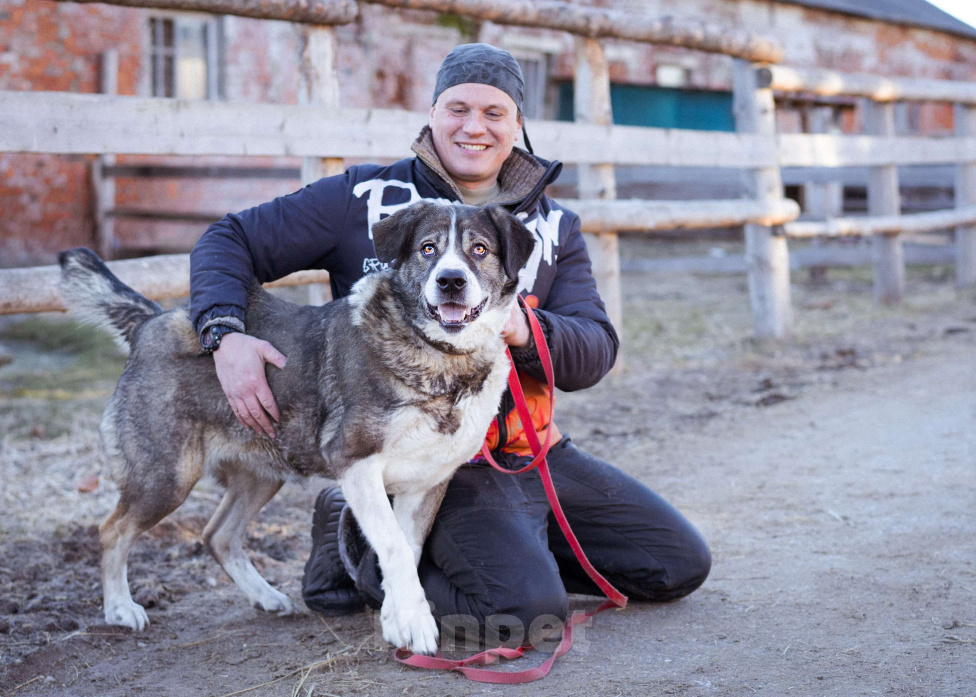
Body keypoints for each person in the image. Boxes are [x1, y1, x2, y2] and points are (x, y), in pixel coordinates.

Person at [189, 43, 710, 643]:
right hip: (428, 460)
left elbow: (595, 350)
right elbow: (229, 239)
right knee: (523, 613)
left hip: (532, 450)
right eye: (458, 108)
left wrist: (520, 327)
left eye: (495, 113)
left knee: (675, 564)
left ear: (518, 125)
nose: (474, 127)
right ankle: (364, 542)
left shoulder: (552, 227)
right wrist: (223, 334)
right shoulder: (361, 199)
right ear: (432, 112)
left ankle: (511, 550)